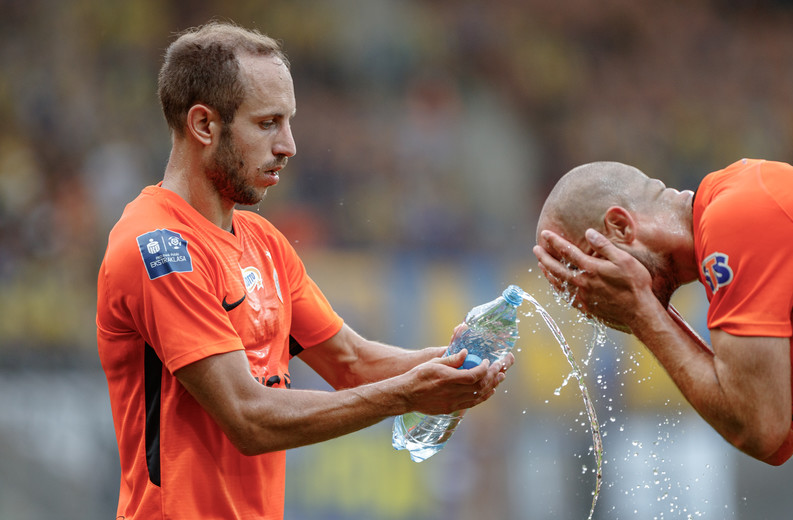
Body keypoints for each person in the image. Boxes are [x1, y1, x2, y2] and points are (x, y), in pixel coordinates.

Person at [96, 21, 512, 520]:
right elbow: (248, 418)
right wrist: (408, 394)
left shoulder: (264, 242)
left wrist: (455, 362)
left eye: (289, 122)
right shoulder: (157, 248)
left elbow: (352, 362)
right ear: (204, 126)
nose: (289, 145)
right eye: (268, 123)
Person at [532, 158, 793, 519]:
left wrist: (640, 312)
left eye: (584, 271)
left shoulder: (736, 219)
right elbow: (779, 439)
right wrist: (646, 312)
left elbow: (758, 428)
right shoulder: (727, 252)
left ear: (619, 228)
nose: (590, 301)